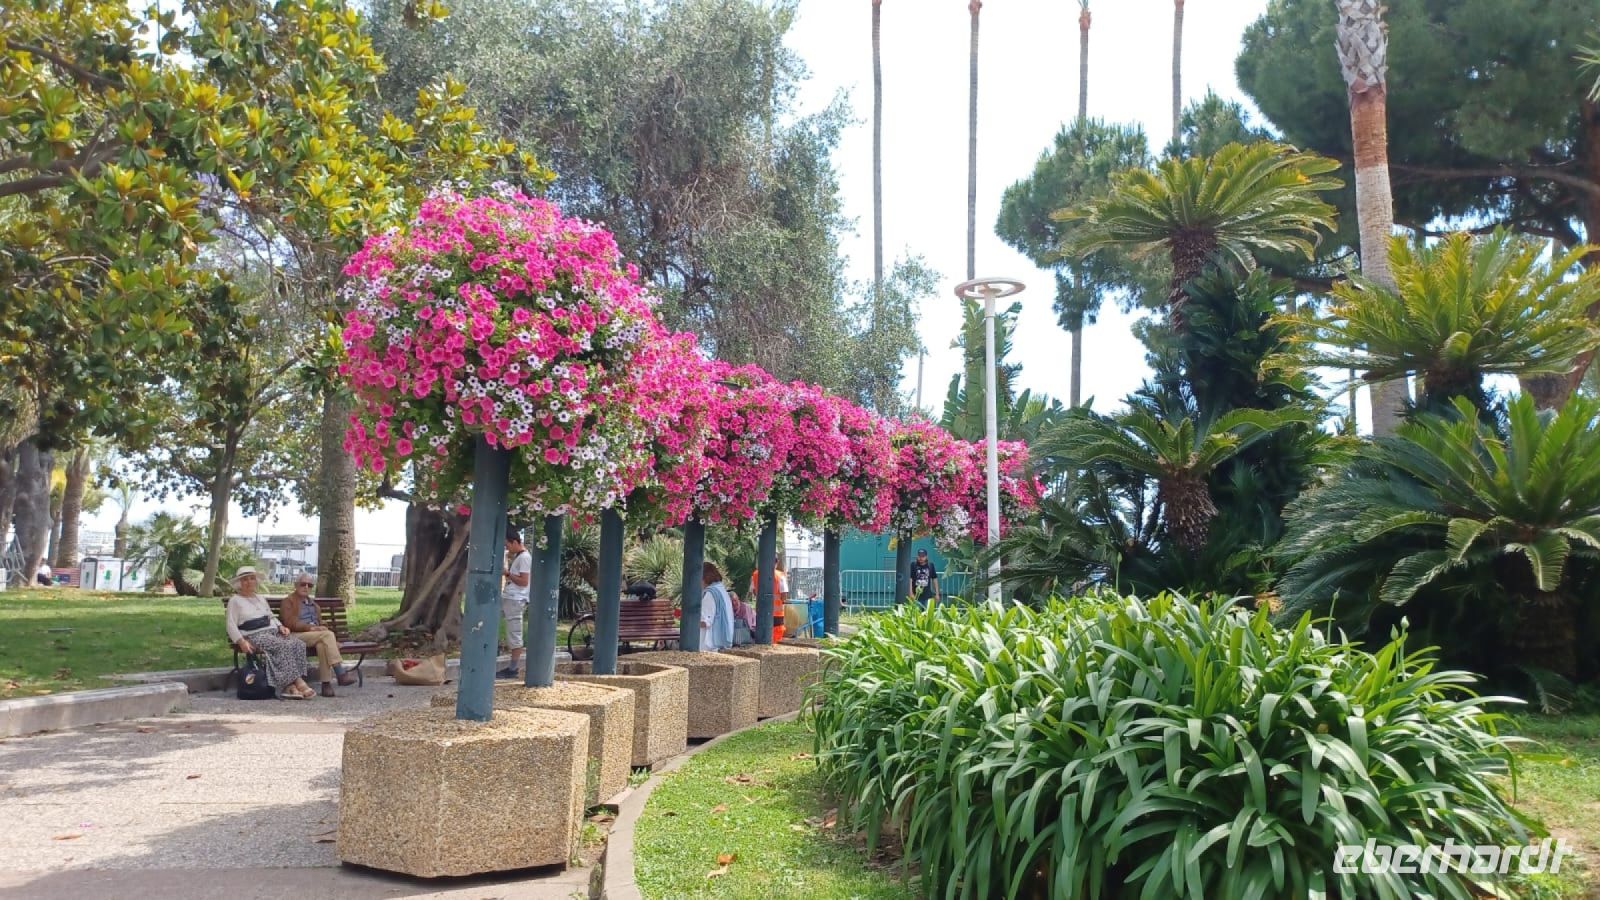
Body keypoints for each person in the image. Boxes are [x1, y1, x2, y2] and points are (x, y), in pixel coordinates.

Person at [225, 567, 315, 700]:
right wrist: (241, 641)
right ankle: (298, 682)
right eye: (245, 580)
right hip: (254, 635)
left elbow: (270, 616)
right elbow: (230, 624)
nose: (249, 582)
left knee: (297, 644)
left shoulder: (260, 598)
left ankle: (289, 686)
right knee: (282, 645)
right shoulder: (235, 600)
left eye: (252, 579)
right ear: (239, 583)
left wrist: (280, 626)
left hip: (271, 632)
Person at [279, 575, 357, 697]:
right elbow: (289, 622)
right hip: (295, 635)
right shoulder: (288, 601)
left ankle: (326, 685)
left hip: (317, 637)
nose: (306, 587)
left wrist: (323, 629)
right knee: (327, 636)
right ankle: (340, 672)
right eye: (303, 584)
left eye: (309, 585)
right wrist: (310, 628)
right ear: (296, 585)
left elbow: (320, 622)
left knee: (322, 645)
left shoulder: (314, 605)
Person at [498, 527, 533, 679]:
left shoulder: (524, 558)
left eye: (507, 545)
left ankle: (513, 668)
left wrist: (507, 574)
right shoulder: (520, 557)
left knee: (514, 633)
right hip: (511, 597)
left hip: (516, 599)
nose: (507, 548)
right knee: (510, 631)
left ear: (514, 542)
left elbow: (524, 581)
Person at [699, 562, 735, 651]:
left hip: (709, 644)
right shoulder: (721, 590)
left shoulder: (710, 594)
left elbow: (705, 621)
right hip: (723, 639)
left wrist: (689, 621)